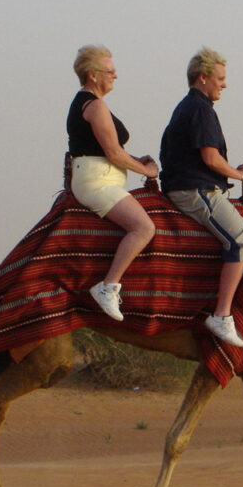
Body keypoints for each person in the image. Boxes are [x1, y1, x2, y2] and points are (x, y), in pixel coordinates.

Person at [158, 47, 243, 348]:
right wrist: (242, 175)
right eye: (220, 78)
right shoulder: (201, 110)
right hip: (195, 190)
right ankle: (221, 315)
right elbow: (211, 159)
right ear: (203, 78)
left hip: (189, 184)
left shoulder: (186, 106)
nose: (224, 84)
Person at [68, 45, 159, 321]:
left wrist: (137, 160)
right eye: (111, 71)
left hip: (99, 176)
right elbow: (112, 153)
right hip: (96, 182)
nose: (115, 76)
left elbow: (103, 149)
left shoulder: (89, 102)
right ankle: (108, 286)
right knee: (144, 227)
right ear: (93, 75)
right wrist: (145, 169)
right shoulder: (94, 105)